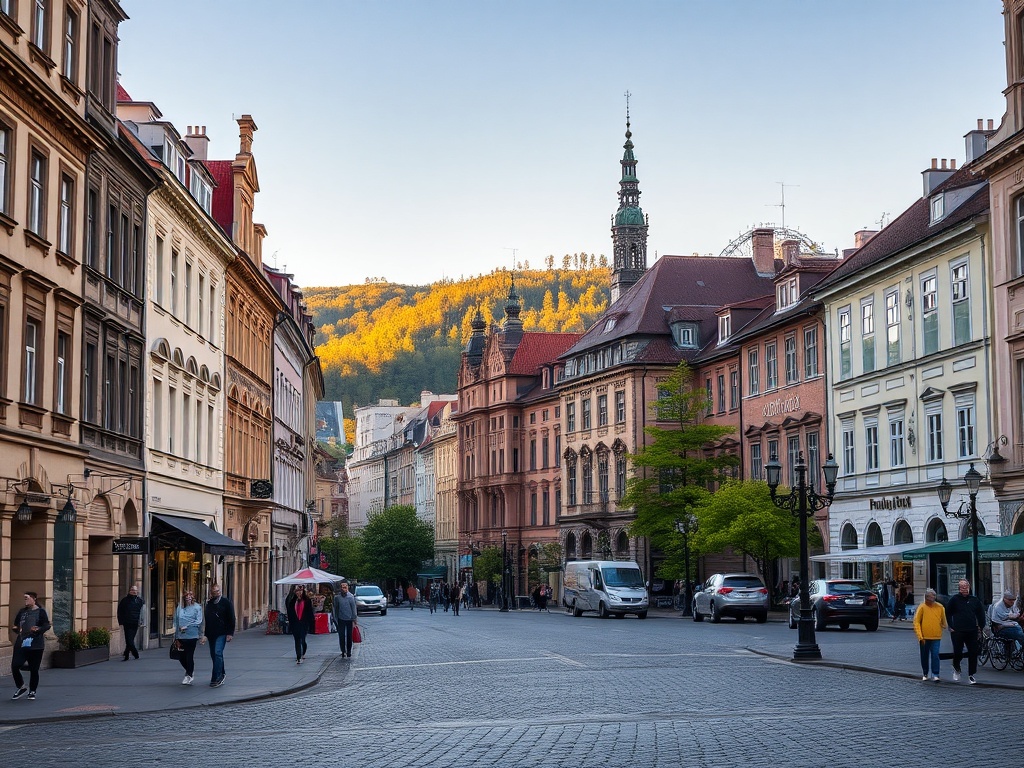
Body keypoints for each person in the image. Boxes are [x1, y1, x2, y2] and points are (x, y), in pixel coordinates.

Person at [11, 591, 50, 701]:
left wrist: (38, 629)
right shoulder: (22, 612)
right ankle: (21, 687)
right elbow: (15, 626)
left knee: (34, 669)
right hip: (22, 643)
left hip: (36, 644)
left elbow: (46, 625)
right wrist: (17, 629)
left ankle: (32, 691)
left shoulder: (40, 612)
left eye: (27, 598)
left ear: (34, 599)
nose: (25, 600)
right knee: (15, 665)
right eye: (24, 598)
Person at [946, 579, 986, 684]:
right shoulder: (954, 599)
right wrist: (950, 625)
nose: (965, 589)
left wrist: (981, 626)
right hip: (958, 631)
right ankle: (956, 668)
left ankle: (971, 674)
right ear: (959, 588)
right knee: (958, 652)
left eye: (966, 586)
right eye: (962, 587)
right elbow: (948, 613)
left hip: (971, 630)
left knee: (973, 652)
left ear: (969, 587)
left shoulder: (974, 600)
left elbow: (981, 613)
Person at [204, 583, 235, 688]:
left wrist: (230, 633)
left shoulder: (226, 602)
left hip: (222, 632)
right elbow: (207, 621)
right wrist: (205, 635)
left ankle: (215, 678)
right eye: (214, 592)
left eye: (217, 591)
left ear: (220, 591)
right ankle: (222, 672)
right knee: (214, 655)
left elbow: (231, 617)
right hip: (211, 633)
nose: (216, 593)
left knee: (217, 653)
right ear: (211, 593)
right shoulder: (209, 604)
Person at [913, 588, 947, 682]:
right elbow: (917, 622)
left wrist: (944, 625)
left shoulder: (940, 607)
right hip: (924, 637)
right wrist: (920, 636)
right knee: (924, 656)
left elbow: (944, 621)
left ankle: (935, 674)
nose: (933, 598)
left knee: (935, 655)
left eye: (934, 597)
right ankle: (925, 672)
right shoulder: (922, 607)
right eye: (931, 597)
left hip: (936, 636)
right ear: (927, 598)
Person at [173, 590, 204, 685]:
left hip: (192, 635)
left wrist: (188, 627)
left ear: (193, 597)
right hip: (180, 635)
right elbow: (176, 620)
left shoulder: (197, 607)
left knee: (189, 655)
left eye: (190, 595)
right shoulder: (180, 607)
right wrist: (175, 635)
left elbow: (199, 621)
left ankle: (189, 675)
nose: (188, 597)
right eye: (186, 595)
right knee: (181, 657)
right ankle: (189, 670)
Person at [286, 586, 315, 665]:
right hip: (295, 624)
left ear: (303, 591)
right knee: (297, 640)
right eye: (297, 591)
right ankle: (298, 656)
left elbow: (310, 613)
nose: (299, 592)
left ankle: (303, 652)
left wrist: (312, 624)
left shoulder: (307, 601)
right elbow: (289, 613)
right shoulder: (292, 601)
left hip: (304, 624)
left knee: (302, 639)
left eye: (300, 591)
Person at [117, 584, 145, 661]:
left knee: (130, 640)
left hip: (135, 623)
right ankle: (133, 654)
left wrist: (142, 621)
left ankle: (127, 654)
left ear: (137, 591)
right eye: (132, 590)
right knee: (129, 640)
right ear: (129, 591)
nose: (133, 591)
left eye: (135, 590)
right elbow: (120, 611)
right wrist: (121, 621)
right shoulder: (125, 600)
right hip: (127, 623)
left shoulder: (140, 601)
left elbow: (143, 612)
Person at [332, 581, 358, 658]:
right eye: (342, 587)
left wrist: (354, 618)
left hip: (349, 619)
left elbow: (353, 608)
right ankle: (343, 650)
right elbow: (335, 608)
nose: (344, 589)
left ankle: (349, 651)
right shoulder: (337, 597)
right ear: (340, 588)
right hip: (341, 619)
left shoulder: (351, 597)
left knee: (349, 636)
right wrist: (335, 618)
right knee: (342, 635)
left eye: (345, 587)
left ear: (347, 587)